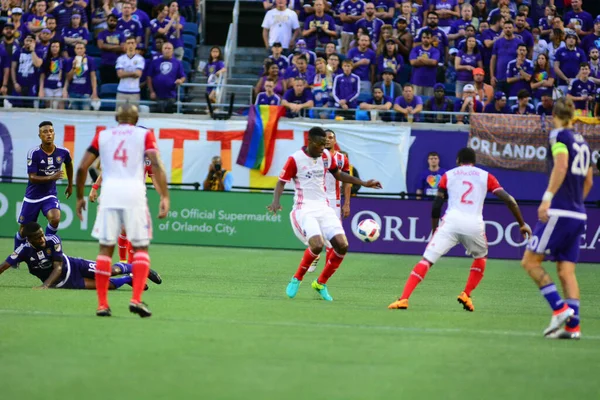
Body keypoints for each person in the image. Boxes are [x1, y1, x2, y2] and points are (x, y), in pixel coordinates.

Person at [389, 147, 531, 311]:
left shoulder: (448, 175)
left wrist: (435, 230)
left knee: (426, 260)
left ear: (457, 161)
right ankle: (466, 294)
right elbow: (510, 200)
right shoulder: (486, 176)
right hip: (474, 225)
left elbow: (436, 205)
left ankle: (404, 299)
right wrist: (521, 223)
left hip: (450, 223)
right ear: (474, 162)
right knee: (481, 257)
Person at [75, 104, 170, 318]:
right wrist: (165, 196)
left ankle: (102, 305)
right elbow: (155, 164)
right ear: (136, 120)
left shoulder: (103, 135)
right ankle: (136, 299)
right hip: (134, 195)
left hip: (110, 196)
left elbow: (82, 168)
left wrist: (81, 196)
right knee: (141, 248)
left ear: (117, 118)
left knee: (104, 251)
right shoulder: (144, 135)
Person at [268, 127, 381, 301]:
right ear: (311, 142)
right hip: (303, 208)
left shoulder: (326, 156)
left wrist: (364, 183)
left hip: (324, 207)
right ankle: (297, 278)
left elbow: (339, 175)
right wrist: (276, 201)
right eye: (321, 144)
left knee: (342, 246)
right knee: (317, 244)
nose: (324, 148)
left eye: (325, 144)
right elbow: (281, 183)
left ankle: (320, 283)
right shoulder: (295, 159)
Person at [520, 98, 593, 339]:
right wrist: (576, 203)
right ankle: (574, 328)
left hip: (560, 211)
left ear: (555, 116)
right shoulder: (584, 143)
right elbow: (589, 180)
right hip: (578, 213)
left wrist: (548, 197)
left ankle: (560, 309)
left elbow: (560, 166)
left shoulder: (559, 136)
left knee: (530, 262)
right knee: (566, 271)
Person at [1, 222, 162, 290]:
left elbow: (58, 267)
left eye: (42, 235)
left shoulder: (53, 240)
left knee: (110, 271)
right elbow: (4, 266)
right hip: (64, 283)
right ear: (29, 239)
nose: (42, 239)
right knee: (107, 286)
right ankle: (129, 279)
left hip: (75, 266)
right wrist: (49, 285)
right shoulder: (23, 250)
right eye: (37, 237)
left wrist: (45, 286)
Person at [14, 121, 73, 251]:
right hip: (32, 196)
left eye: (51, 131)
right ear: (39, 135)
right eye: (45, 132)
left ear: (54, 134)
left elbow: (69, 164)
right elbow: (32, 177)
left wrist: (70, 184)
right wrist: (51, 177)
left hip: (49, 194)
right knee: (24, 231)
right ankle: (16, 255)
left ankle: (46, 246)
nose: (48, 134)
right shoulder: (34, 153)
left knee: (56, 218)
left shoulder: (63, 152)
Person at [308, 129, 352, 272]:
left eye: (331, 137)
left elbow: (347, 182)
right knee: (314, 230)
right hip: (317, 199)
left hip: (334, 201)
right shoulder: (315, 157)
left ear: (335, 141)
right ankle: (314, 255)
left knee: (333, 237)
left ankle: (324, 274)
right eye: (325, 137)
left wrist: (347, 203)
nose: (328, 140)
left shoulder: (342, 159)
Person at [147, 41, 186, 113]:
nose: (167, 50)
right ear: (162, 50)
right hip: (156, 94)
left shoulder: (177, 63)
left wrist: (180, 81)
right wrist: (152, 91)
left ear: (172, 51)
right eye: (165, 48)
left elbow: (183, 76)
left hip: (170, 95)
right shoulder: (154, 62)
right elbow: (149, 77)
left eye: (169, 48)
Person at [409, 29, 440, 97]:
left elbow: (434, 62)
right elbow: (413, 62)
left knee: (428, 105)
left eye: (428, 38)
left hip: (430, 83)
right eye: (424, 38)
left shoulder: (435, 51)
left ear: (432, 39)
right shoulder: (416, 49)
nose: (425, 39)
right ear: (421, 38)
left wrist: (420, 59)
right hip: (416, 81)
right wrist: (428, 61)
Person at [115, 36, 144, 106]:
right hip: (121, 91)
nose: (130, 45)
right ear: (125, 45)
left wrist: (125, 73)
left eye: (132, 43)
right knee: (120, 114)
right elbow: (119, 74)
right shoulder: (120, 59)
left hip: (134, 92)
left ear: (135, 45)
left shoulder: (140, 59)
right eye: (128, 43)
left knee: (133, 115)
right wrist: (133, 73)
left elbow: (138, 74)